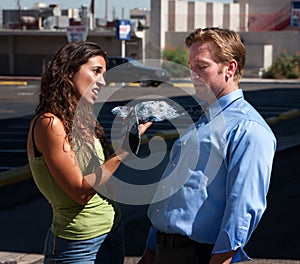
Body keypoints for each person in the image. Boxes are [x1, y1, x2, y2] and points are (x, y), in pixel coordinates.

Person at [138, 28, 277, 264]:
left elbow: (242, 209)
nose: (192, 75)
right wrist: (151, 252)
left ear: (230, 68)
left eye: (201, 67)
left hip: (199, 255)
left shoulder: (248, 128)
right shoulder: (203, 120)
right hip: (164, 251)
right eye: (191, 67)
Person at [26, 41, 152, 263]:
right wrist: (123, 151)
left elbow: (102, 179)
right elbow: (81, 192)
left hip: (112, 233)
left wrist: (123, 139)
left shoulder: (82, 119)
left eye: (104, 73)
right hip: (79, 245)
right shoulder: (50, 124)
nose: (103, 81)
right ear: (69, 71)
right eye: (96, 71)